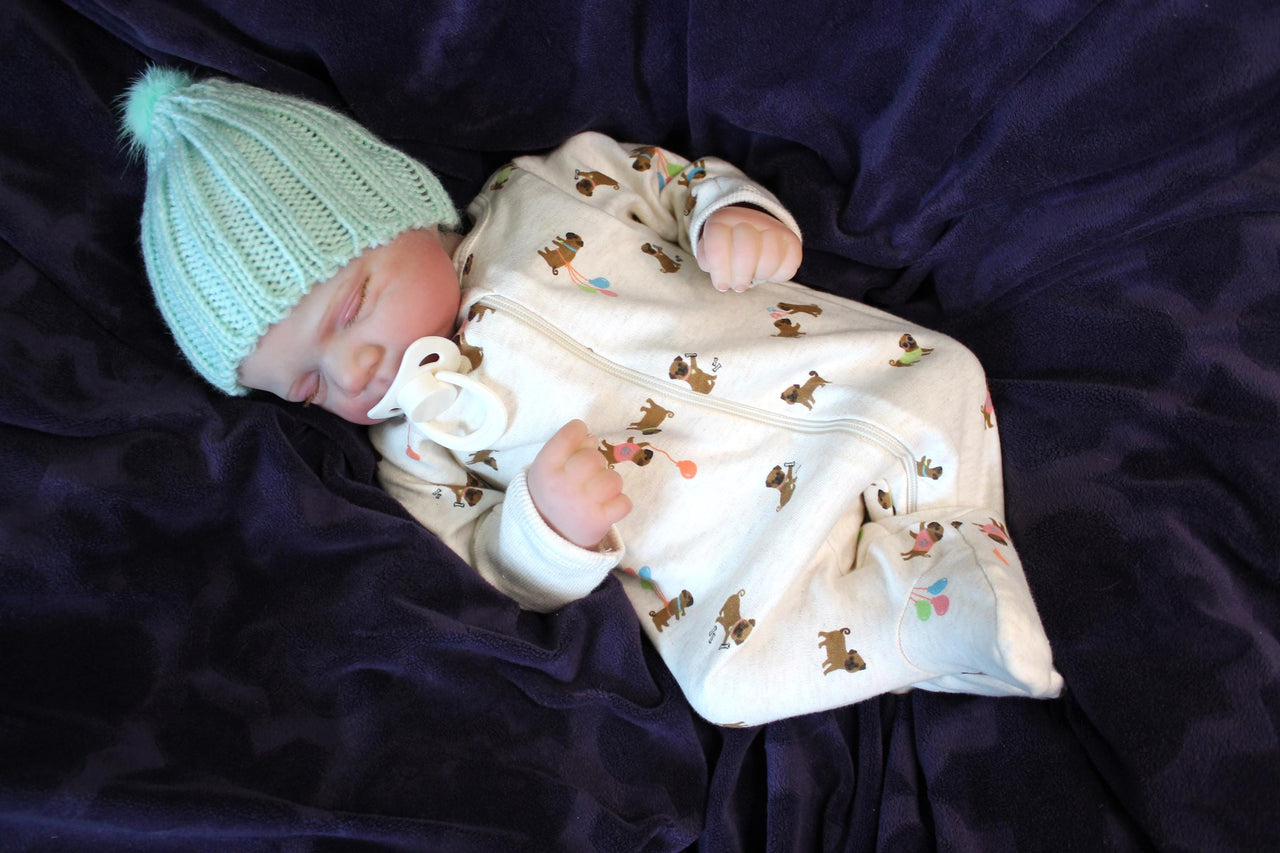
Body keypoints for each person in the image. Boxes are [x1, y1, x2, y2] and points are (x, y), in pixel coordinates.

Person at [124, 67, 1062, 726]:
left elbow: (666, 181)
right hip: (733, 548)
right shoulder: (416, 453)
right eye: (308, 383)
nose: (354, 370)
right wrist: (547, 528)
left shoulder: (543, 192)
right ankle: (939, 611)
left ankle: (956, 552)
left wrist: (730, 214)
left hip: (829, 376)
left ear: (402, 209)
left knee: (941, 377)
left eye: (351, 308)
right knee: (730, 685)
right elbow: (490, 566)